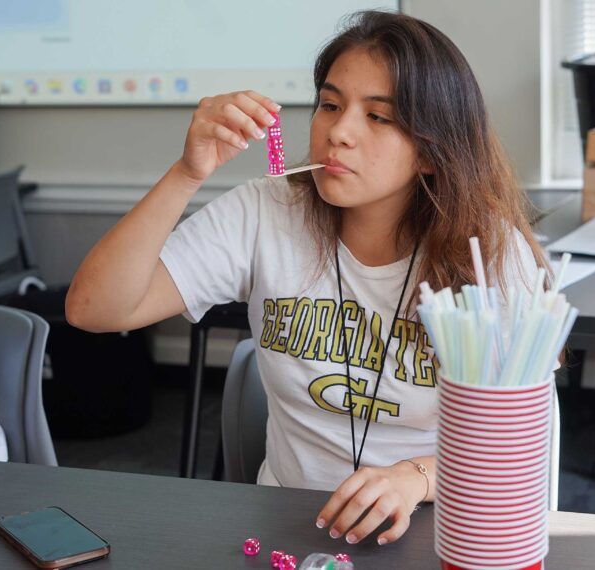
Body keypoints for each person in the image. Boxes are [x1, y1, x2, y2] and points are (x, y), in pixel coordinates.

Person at [66, 10, 547, 546]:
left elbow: (521, 440)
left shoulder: (491, 256)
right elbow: (93, 308)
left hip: (438, 528)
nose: (338, 132)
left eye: (379, 118)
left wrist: (414, 478)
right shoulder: (266, 211)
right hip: (291, 528)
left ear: (432, 152)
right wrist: (188, 173)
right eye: (330, 105)